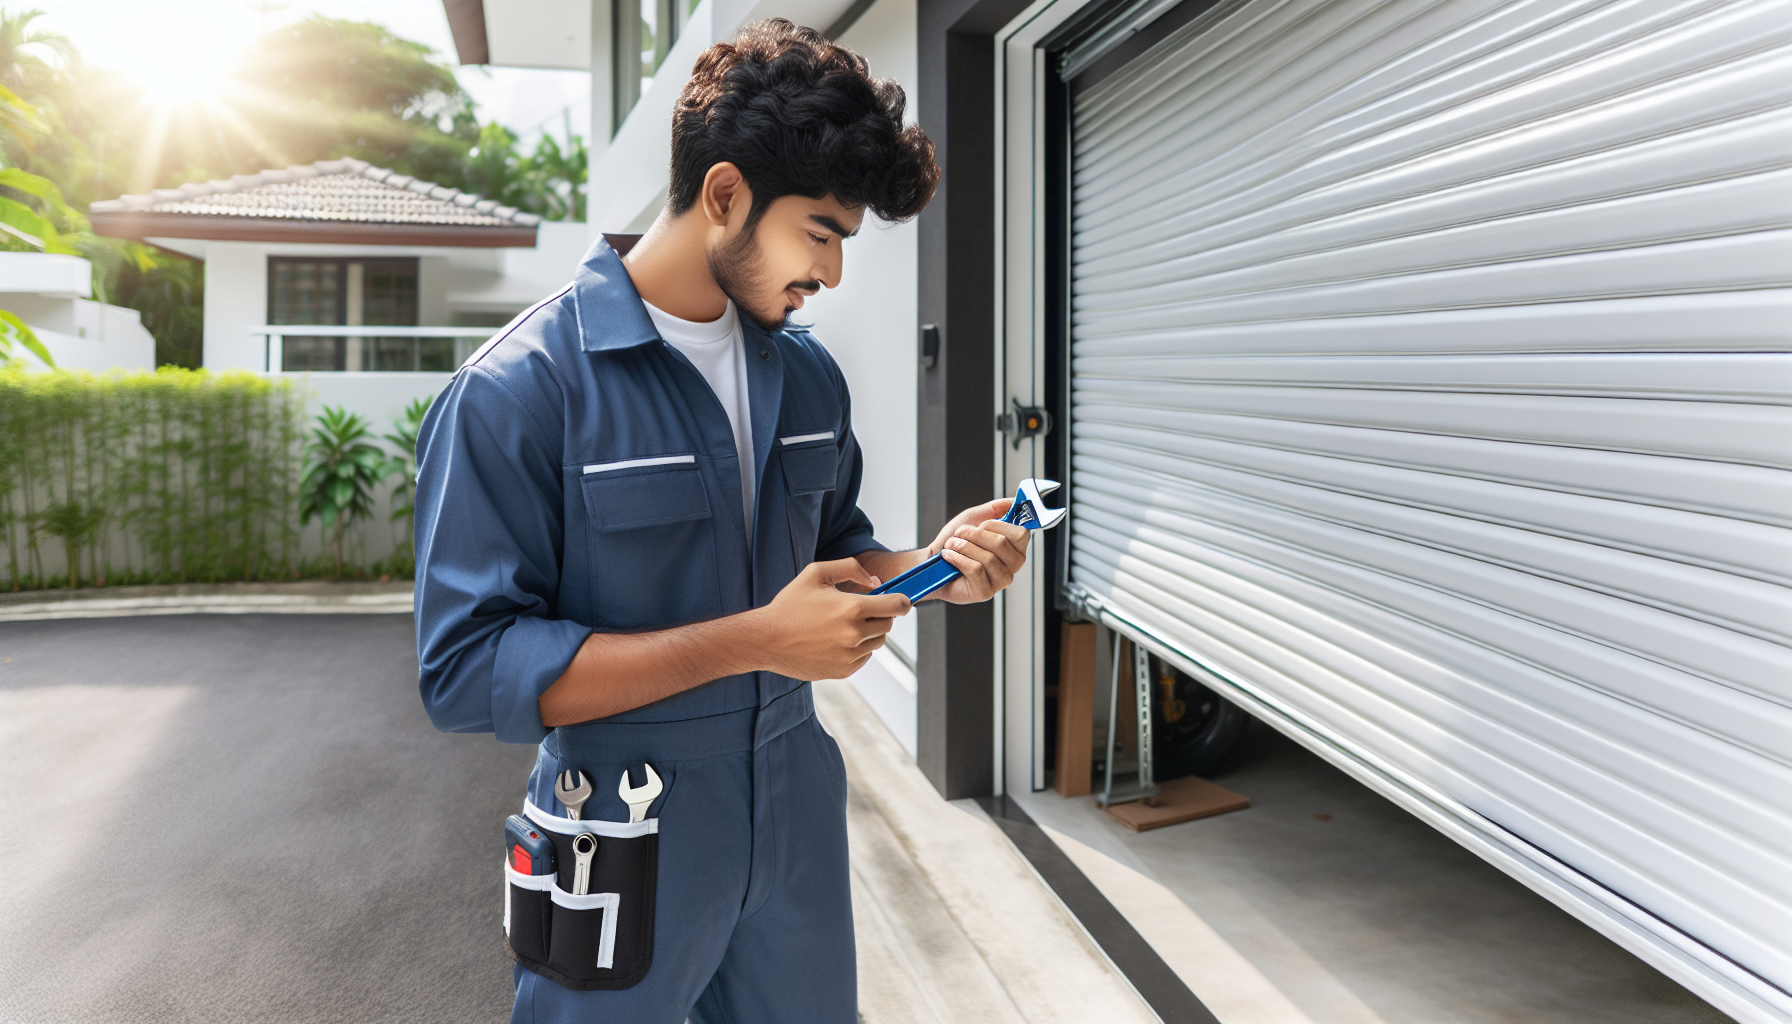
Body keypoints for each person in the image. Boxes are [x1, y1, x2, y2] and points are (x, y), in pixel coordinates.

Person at [412, 20, 1032, 1024]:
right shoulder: (517, 393)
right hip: (615, 823)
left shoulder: (808, 375)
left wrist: (929, 568)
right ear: (727, 193)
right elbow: (465, 671)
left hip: (794, 807)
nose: (832, 273)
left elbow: (839, 554)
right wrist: (756, 641)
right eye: (821, 234)